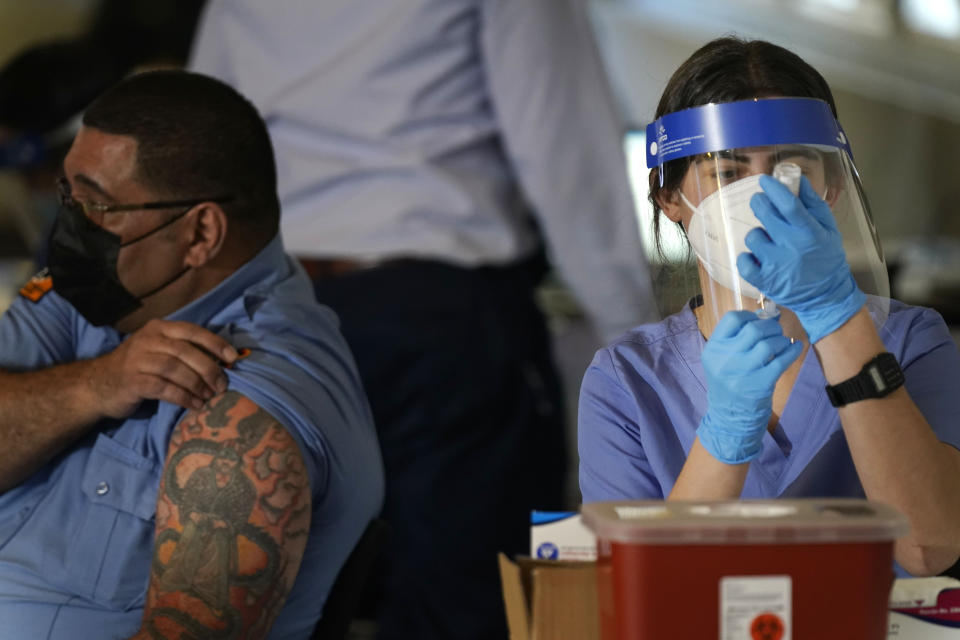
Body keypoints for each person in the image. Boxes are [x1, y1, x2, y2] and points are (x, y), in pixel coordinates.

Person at [188, 1, 658, 637]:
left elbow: (203, 140)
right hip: (435, 320)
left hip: (271, 314)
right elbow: (564, 152)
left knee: (278, 602)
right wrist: (640, 352)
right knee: (467, 605)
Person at [0, 70, 384, 639]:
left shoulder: (244, 406)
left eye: (97, 207)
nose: (70, 225)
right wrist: (94, 387)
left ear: (200, 232)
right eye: (67, 196)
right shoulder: (93, 296)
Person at [578, 37, 960, 577]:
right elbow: (636, 587)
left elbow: (930, 548)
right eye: (728, 174)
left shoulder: (909, 340)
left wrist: (835, 314)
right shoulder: (626, 380)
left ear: (828, 186)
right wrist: (726, 433)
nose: (761, 198)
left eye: (789, 170)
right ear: (669, 196)